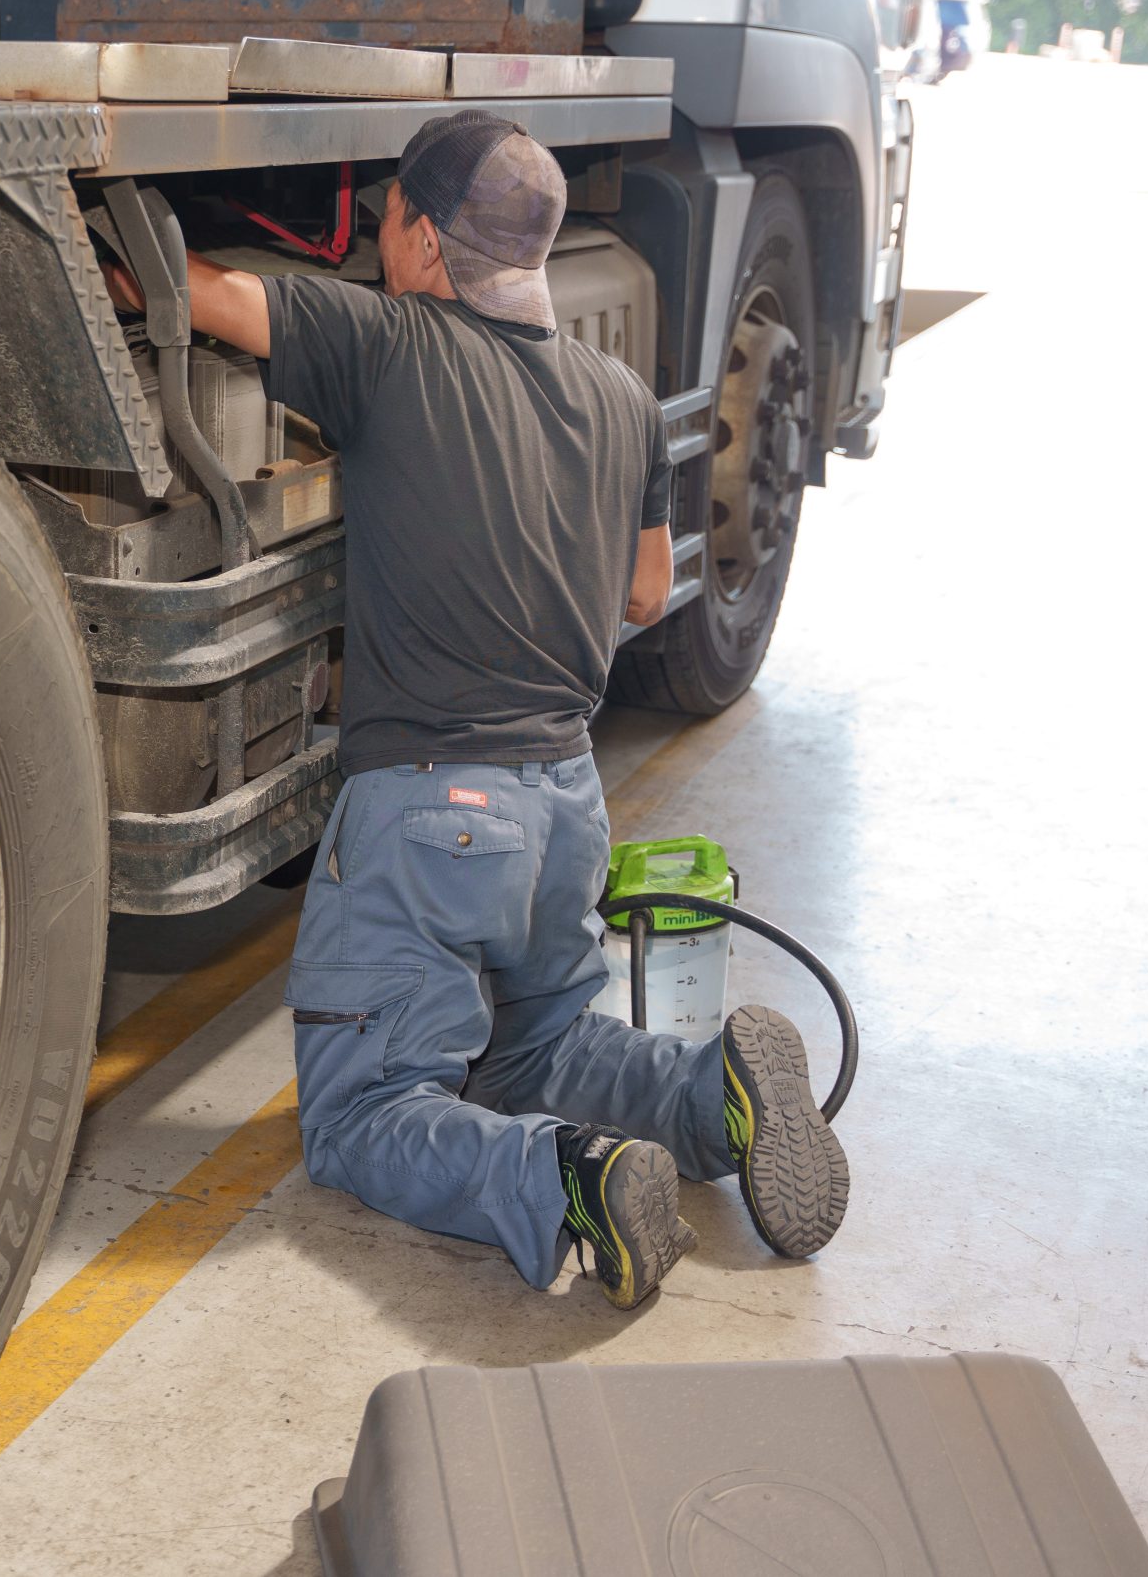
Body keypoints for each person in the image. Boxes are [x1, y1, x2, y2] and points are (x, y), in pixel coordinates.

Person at [118, 111, 850, 1307]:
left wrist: (108, 247)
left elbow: (205, 295)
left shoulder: (388, 344)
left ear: (415, 237)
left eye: (389, 221)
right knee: (543, 1046)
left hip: (430, 812)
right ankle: (709, 1097)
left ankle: (563, 1179)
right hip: (565, 805)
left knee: (360, 1115)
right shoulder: (617, 397)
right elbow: (648, 587)